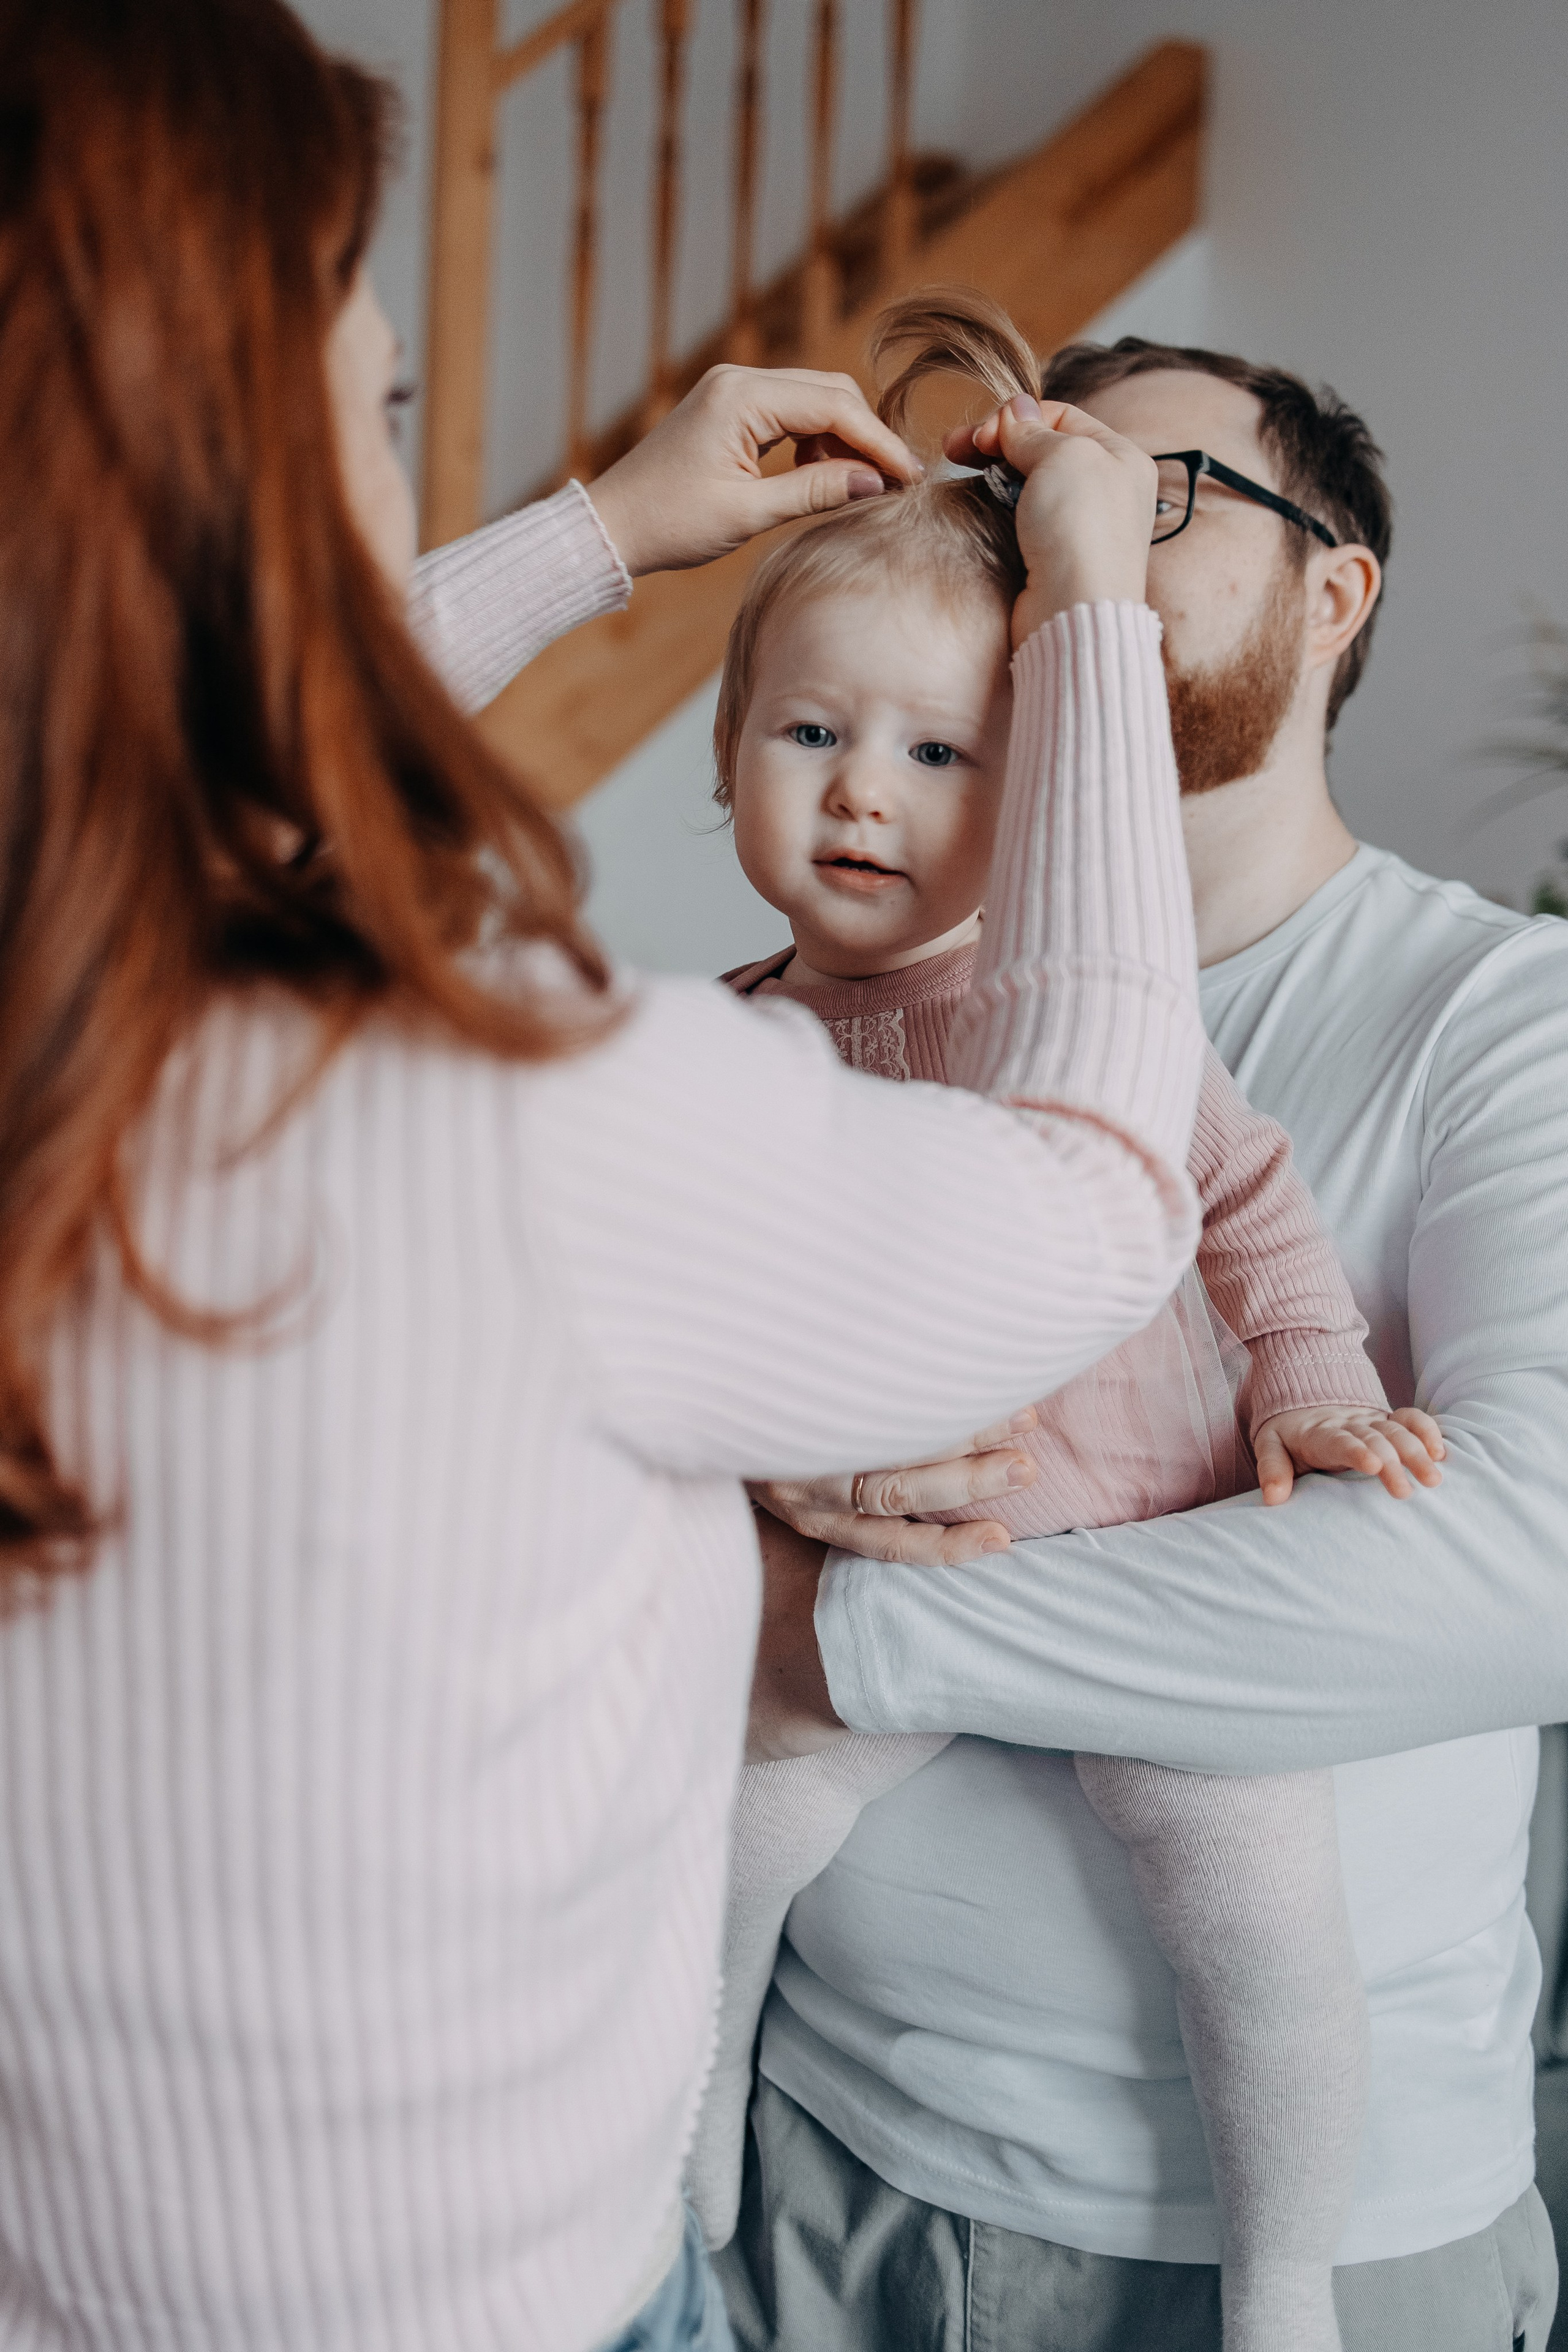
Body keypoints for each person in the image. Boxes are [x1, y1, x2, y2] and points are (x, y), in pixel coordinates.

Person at [0, 7, 1213, 2350]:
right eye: (369, 412)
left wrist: (600, 535)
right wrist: (1093, 635)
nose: (871, 795)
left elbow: (181, 787)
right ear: (201, 484)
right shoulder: (524, 1104)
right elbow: (1087, 1195)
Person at [720, 328, 1568, 2352]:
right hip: (834, 2158)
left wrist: (830, 1632)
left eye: (1153, 492)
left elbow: (1522, 1566)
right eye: (1032, 499)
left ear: (1332, 586)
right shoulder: (826, 996)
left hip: (1309, 2246)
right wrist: (760, 1483)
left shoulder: (1499, 1017)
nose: (1062, 539)